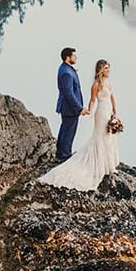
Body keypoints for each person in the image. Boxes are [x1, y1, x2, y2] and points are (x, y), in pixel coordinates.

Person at [38, 58, 119, 191]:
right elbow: (93, 100)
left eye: (109, 68)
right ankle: (68, 155)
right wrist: (89, 111)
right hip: (101, 113)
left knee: (109, 137)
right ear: (100, 70)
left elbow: (112, 97)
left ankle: (108, 165)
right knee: (100, 137)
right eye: (106, 68)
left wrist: (115, 111)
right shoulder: (96, 85)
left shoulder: (109, 83)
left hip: (109, 111)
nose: (108, 70)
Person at [55, 46, 85, 160]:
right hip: (69, 108)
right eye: (74, 55)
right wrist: (79, 108)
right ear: (68, 57)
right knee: (68, 132)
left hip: (68, 108)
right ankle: (65, 155)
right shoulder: (66, 72)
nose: (76, 57)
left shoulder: (65, 68)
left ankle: (61, 153)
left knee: (65, 129)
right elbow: (69, 94)